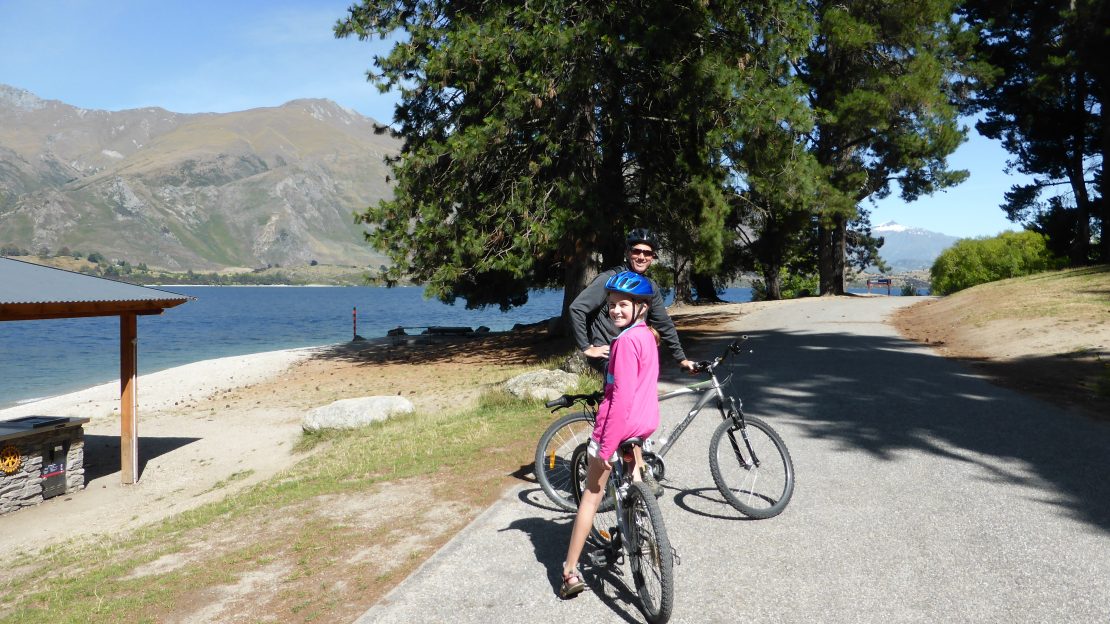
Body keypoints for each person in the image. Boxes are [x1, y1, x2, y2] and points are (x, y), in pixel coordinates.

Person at [560, 270, 661, 599]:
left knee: (591, 495)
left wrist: (605, 447)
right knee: (635, 486)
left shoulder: (622, 343)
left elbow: (619, 401)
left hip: (615, 430)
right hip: (641, 429)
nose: (615, 310)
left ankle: (569, 571)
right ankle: (646, 533)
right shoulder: (647, 337)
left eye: (623, 305)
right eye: (612, 305)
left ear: (641, 307)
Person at [569, 229, 696, 375]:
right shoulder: (610, 279)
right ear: (628, 253)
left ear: (652, 256)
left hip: (632, 351)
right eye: (637, 251)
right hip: (608, 355)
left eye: (647, 253)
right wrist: (586, 347)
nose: (642, 257)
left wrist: (681, 359)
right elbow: (577, 308)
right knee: (623, 390)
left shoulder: (649, 286)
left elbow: (663, 323)